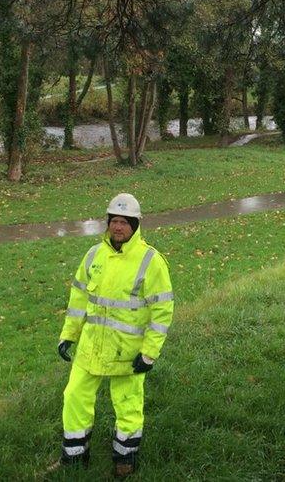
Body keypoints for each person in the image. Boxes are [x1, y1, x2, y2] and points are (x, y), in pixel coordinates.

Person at [57, 193, 174, 478]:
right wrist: (68, 335)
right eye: (114, 221)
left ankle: (125, 459)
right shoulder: (94, 255)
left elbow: (162, 312)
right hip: (91, 348)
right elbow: (78, 298)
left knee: (128, 403)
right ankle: (74, 457)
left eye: (124, 222)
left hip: (127, 353)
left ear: (135, 225)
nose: (118, 227)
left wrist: (149, 353)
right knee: (74, 396)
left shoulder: (151, 261)